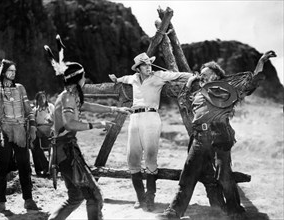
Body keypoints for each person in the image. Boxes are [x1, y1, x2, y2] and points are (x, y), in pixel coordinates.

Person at [158, 50, 277, 219]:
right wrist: (189, 83)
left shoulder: (226, 88)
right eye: (201, 75)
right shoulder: (198, 92)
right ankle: (173, 212)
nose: (202, 77)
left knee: (224, 175)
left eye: (205, 75)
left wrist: (261, 61)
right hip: (199, 137)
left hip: (219, 136)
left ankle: (235, 210)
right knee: (188, 175)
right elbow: (184, 101)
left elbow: (250, 83)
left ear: (215, 75)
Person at [45, 37, 131, 220]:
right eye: (83, 76)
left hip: (66, 151)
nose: (85, 79)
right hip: (66, 153)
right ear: (77, 78)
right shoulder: (68, 97)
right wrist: (96, 124)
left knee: (75, 198)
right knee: (94, 196)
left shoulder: (72, 96)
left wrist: (114, 109)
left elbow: (88, 106)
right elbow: (69, 124)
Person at [109, 52, 192, 211]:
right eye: (145, 65)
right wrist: (116, 79)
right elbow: (123, 79)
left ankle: (150, 199)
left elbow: (178, 75)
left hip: (151, 118)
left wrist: (193, 76)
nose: (149, 67)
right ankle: (140, 198)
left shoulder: (159, 76)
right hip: (134, 118)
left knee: (150, 158)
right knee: (132, 159)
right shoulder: (133, 78)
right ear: (138, 68)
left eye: (149, 64)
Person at [0, 59, 40, 216]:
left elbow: (29, 110)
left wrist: (33, 127)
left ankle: (28, 200)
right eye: (11, 71)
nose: (14, 73)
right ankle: (1, 204)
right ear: (3, 72)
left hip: (21, 131)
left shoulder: (20, 88)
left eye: (15, 71)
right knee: (1, 167)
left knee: (25, 165)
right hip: (4, 132)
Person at [31, 91, 54, 177]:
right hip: (39, 130)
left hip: (50, 129)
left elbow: (56, 119)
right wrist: (37, 130)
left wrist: (51, 126)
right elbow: (33, 123)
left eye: (43, 97)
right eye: (40, 98)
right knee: (34, 145)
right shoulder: (34, 110)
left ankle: (54, 167)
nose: (42, 100)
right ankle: (42, 167)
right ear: (37, 100)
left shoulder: (51, 107)